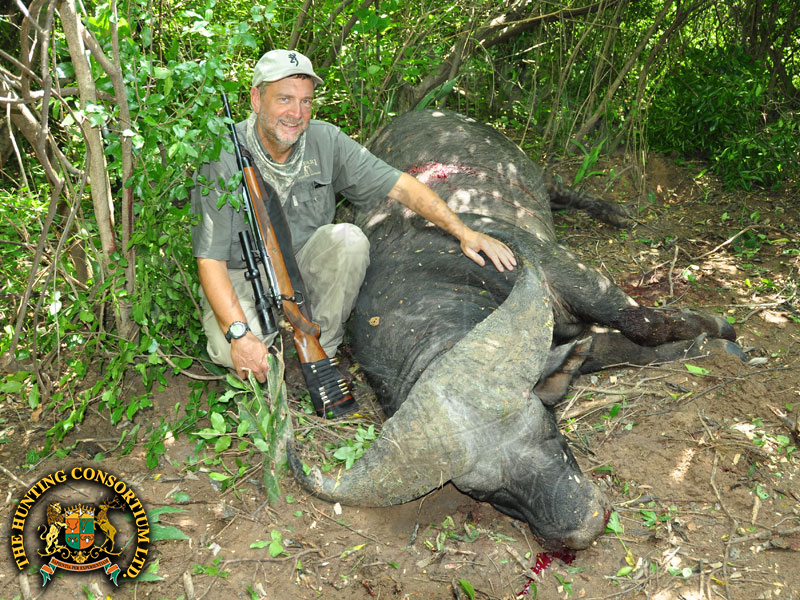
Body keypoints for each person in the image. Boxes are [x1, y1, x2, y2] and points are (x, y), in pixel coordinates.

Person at [191, 49, 516, 384]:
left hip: (302, 261)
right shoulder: (222, 156)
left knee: (348, 239)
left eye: (305, 101)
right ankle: (263, 338)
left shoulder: (325, 139)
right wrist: (240, 333)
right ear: (257, 99)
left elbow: (401, 186)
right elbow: (209, 261)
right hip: (242, 271)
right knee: (231, 349)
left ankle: (321, 351)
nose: (296, 113)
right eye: (284, 99)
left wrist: (464, 232)